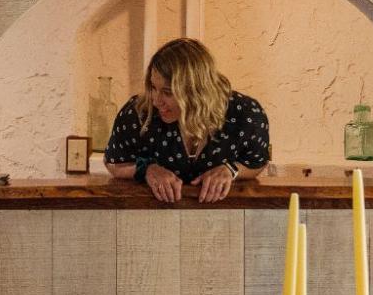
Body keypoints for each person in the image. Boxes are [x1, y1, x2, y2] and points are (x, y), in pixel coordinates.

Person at [103, 38, 271, 204]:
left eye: (167, 92)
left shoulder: (246, 115)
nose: (156, 101)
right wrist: (145, 169)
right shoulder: (138, 113)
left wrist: (231, 170)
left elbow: (257, 162)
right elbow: (114, 163)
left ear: (197, 92)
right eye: (153, 88)